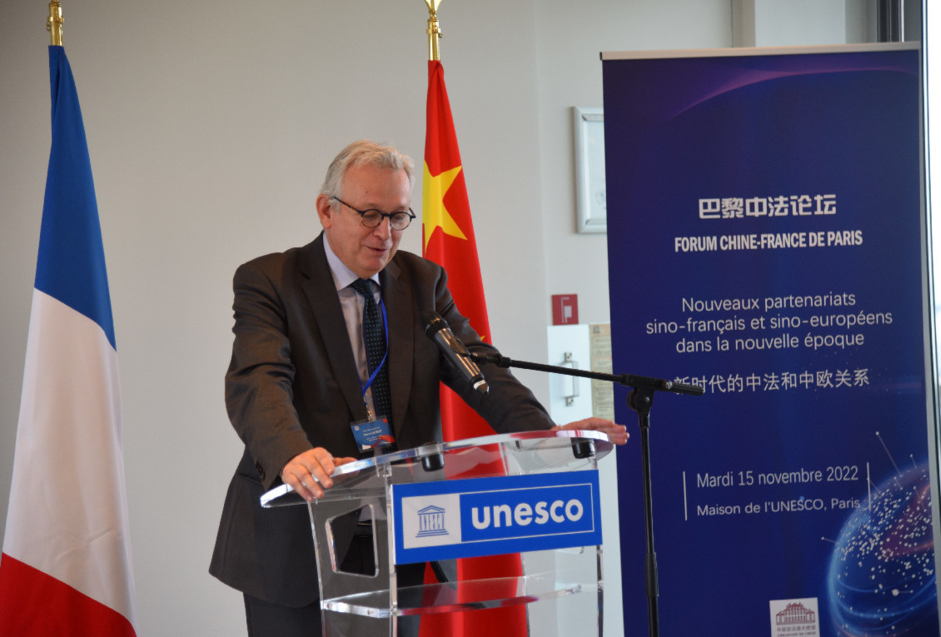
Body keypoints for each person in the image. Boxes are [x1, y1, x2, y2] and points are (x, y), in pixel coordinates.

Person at [209, 140, 628, 637]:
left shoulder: (422, 281)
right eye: (369, 215)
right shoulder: (271, 280)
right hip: (300, 534)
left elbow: (482, 372)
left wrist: (545, 437)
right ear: (327, 209)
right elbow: (258, 380)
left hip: (402, 534)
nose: (385, 234)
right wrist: (294, 455)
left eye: (398, 216)